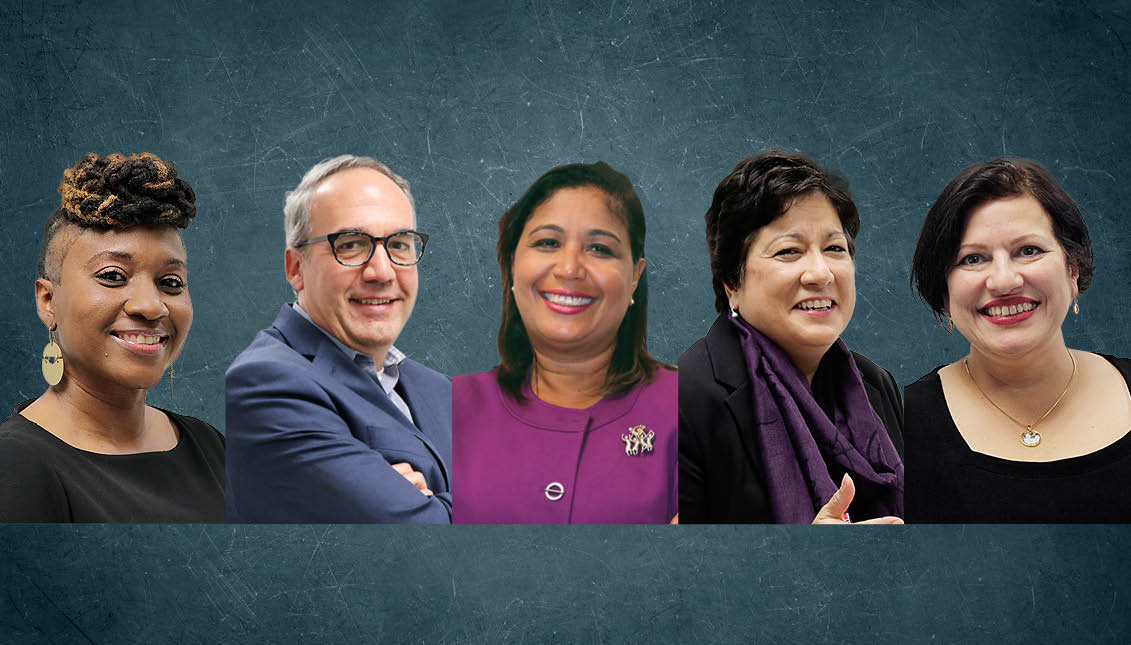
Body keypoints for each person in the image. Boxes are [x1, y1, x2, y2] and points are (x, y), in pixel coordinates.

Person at [679, 151, 904, 524]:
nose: (820, 273)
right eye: (789, 251)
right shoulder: (680, 401)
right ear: (732, 282)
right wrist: (802, 558)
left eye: (834, 248)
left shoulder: (876, 385)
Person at [225, 155, 451, 523]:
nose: (381, 272)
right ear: (295, 268)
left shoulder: (440, 391)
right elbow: (418, 529)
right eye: (351, 245)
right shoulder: (264, 383)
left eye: (399, 245)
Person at [0, 152, 224, 522]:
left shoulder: (211, 447)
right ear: (48, 300)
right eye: (113, 276)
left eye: (170, 283)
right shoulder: (17, 468)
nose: (151, 307)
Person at [906, 158, 1131, 523]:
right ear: (944, 293)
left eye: (1028, 250)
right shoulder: (891, 428)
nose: (1004, 281)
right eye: (973, 258)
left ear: (1072, 269)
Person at [452, 162, 677, 524]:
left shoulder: (697, 410)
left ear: (635, 276)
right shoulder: (438, 408)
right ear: (511, 265)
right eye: (547, 243)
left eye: (600, 249)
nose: (570, 269)